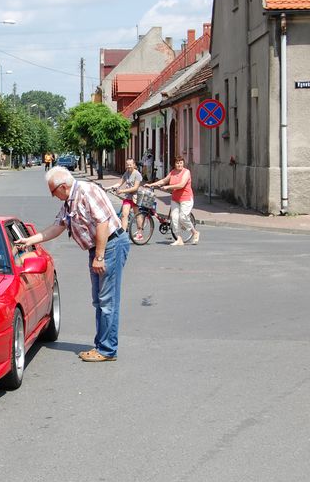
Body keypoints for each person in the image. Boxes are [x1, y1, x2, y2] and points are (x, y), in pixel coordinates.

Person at [14, 166, 129, 362]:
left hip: (110, 245)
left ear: (63, 186)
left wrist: (99, 256)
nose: (53, 196)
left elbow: (103, 223)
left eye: (53, 191)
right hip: (100, 248)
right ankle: (102, 345)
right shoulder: (70, 201)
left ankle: (108, 349)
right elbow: (57, 227)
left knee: (107, 301)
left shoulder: (86, 191)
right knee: (100, 301)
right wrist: (29, 241)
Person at [145, 155, 200, 246]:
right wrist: (151, 185)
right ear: (174, 164)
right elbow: (163, 181)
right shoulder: (173, 172)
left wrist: (168, 187)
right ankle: (179, 239)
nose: (179, 165)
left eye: (181, 163)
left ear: (183, 163)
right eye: (177, 163)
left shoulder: (186, 172)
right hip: (175, 198)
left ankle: (194, 232)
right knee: (174, 218)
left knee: (183, 217)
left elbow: (181, 185)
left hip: (186, 198)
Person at [110, 158, 143, 239]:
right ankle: (124, 234)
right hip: (128, 197)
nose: (129, 166)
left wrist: (122, 191)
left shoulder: (137, 174)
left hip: (135, 197)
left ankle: (140, 233)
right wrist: (109, 187)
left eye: (130, 164)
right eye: (127, 165)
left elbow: (135, 188)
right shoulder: (126, 173)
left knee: (137, 214)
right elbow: (120, 183)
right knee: (124, 215)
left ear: (134, 165)